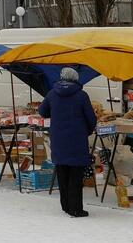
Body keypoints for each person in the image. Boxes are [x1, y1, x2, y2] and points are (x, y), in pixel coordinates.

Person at [38, 67, 96, 218]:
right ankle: (76, 208)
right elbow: (91, 119)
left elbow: (42, 111)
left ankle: (66, 206)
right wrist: (87, 131)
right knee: (76, 175)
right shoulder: (82, 95)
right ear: (75, 79)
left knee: (62, 172)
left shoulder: (52, 93)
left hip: (58, 139)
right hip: (77, 140)